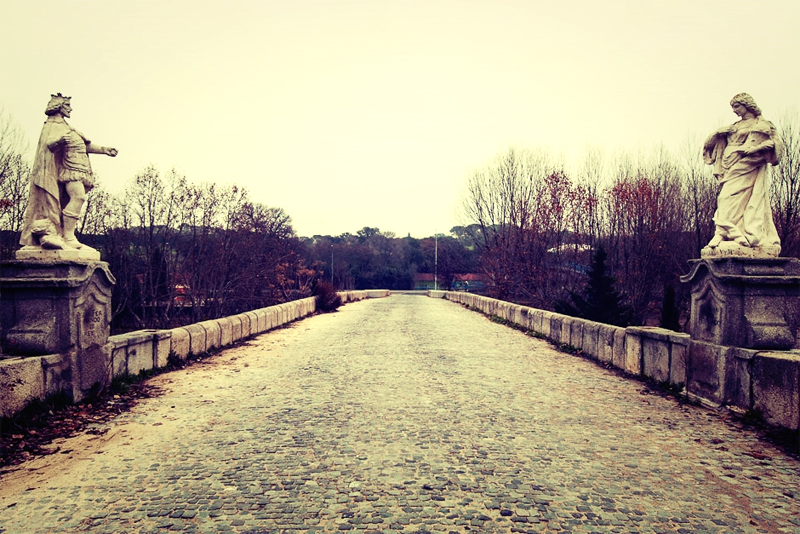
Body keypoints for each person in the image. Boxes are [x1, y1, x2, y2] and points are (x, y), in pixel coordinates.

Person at [19, 93, 118, 252]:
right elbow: (48, 146)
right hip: (68, 170)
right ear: (59, 107)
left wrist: (104, 150)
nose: (70, 109)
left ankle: (67, 235)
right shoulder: (52, 126)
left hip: (80, 170)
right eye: (67, 106)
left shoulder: (67, 127)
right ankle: (68, 236)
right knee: (78, 197)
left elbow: (84, 146)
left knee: (75, 199)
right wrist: (59, 141)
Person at [702, 93, 782, 257]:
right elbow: (710, 144)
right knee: (725, 198)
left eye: (737, 106)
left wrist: (753, 150)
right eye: (733, 108)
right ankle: (726, 233)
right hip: (729, 166)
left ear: (747, 105)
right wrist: (718, 132)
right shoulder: (734, 126)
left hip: (748, 164)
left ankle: (730, 233)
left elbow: (775, 144)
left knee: (730, 198)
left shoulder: (762, 124)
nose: (734, 111)